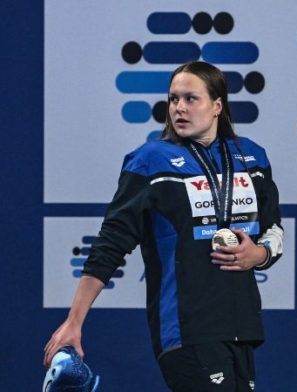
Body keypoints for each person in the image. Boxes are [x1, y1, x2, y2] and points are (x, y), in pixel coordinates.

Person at [44, 61, 284, 391]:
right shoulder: (150, 161)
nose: (179, 108)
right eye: (173, 99)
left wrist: (259, 254)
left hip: (242, 327)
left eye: (190, 99)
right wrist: (75, 321)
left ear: (217, 106)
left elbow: (273, 229)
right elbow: (111, 242)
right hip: (186, 330)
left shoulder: (252, 158)